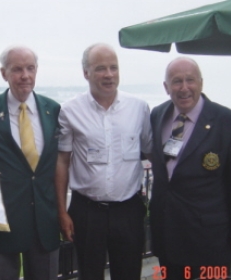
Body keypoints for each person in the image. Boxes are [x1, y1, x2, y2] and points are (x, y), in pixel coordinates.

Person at [149, 57, 231, 280]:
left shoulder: (229, 123)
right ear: (166, 87)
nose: (184, 87)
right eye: (177, 81)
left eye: (190, 80)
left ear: (201, 83)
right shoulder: (157, 115)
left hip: (210, 239)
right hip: (167, 235)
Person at [55, 43, 152, 280]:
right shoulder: (70, 110)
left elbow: (151, 153)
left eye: (113, 68)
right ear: (86, 73)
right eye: (100, 69)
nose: (109, 75)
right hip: (87, 212)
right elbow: (62, 162)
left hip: (128, 210)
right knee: (88, 275)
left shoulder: (139, 108)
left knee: (129, 274)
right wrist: (62, 212)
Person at [0, 46, 61, 280]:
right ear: (4, 73)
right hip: (2, 223)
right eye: (17, 69)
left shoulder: (53, 110)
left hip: (45, 220)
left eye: (30, 68)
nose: (25, 75)